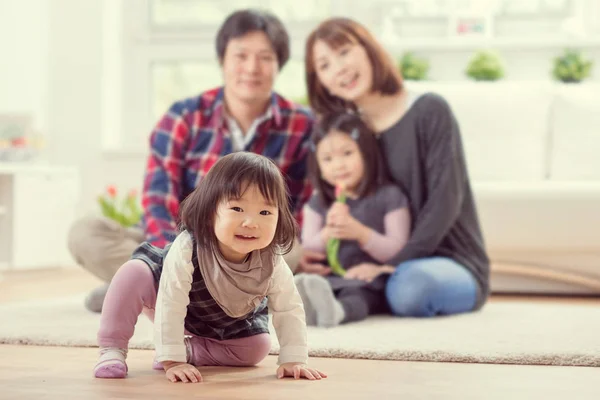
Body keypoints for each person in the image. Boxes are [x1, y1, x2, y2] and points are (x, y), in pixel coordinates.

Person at [68, 9, 318, 313]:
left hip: (253, 245)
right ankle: (199, 297)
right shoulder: (184, 116)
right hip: (180, 240)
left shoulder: (302, 124)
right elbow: (159, 199)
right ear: (222, 60)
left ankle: (142, 291)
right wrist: (174, 258)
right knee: (86, 233)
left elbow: (301, 206)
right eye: (240, 56)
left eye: (265, 57)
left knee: (293, 253)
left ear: (278, 64)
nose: (252, 68)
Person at [300, 17, 490, 317]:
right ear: (321, 83)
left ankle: (367, 290)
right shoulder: (349, 135)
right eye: (324, 65)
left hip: (448, 261)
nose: (339, 69)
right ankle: (349, 299)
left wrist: (391, 265)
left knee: (409, 289)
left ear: (369, 49)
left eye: (345, 52)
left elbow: (445, 202)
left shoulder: (429, 110)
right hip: (374, 264)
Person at [94, 152, 327, 382]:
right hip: (168, 300)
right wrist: (172, 360)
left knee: (257, 347)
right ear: (209, 213)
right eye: (237, 209)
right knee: (133, 272)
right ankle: (112, 350)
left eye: (265, 212)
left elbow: (288, 308)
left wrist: (294, 359)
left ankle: (193, 350)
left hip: (223, 323)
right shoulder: (188, 246)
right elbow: (170, 300)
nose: (251, 222)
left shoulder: (272, 260)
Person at [295, 111, 411, 327]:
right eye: (327, 159)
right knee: (309, 284)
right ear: (318, 167)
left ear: (367, 153)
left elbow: (399, 249)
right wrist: (327, 234)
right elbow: (308, 248)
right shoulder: (318, 202)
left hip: (370, 280)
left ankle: (339, 312)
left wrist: (360, 233)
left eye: (347, 153)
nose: (338, 165)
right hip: (330, 277)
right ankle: (309, 312)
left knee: (355, 294)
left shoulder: (390, 196)